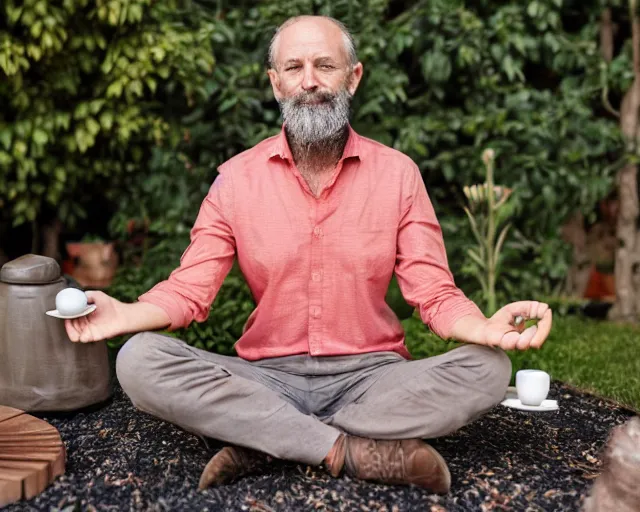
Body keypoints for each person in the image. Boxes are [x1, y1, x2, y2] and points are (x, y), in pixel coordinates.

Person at [65, 15, 553, 494]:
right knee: (139, 359)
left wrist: (484, 329)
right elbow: (190, 290)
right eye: (294, 68)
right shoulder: (236, 179)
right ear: (276, 84)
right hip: (265, 377)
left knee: (489, 369)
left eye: (325, 65)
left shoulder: (399, 174)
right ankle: (344, 449)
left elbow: (435, 293)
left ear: (353, 77)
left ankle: (265, 437)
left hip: (372, 378)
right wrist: (126, 313)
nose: (310, 82)